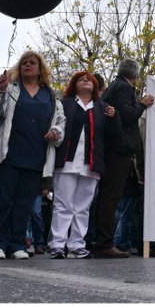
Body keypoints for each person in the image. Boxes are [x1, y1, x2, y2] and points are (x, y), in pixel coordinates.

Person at [0, 50, 65, 260]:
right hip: (8, 155)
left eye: (32, 63)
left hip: (35, 157)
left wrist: (56, 132)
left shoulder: (51, 96)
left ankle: (16, 244)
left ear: (40, 69)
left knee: (24, 204)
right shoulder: (10, 89)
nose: (27, 66)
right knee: (3, 201)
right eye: (24, 63)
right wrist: (0, 92)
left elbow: (60, 123)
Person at [48, 71, 117, 259]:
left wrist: (114, 117)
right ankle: (57, 244)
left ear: (95, 86)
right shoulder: (64, 104)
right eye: (81, 79)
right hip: (67, 162)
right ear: (73, 84)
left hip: (91, 164)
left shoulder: (103, 107)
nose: (86, 80)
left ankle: (77, 244)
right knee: (63, 205)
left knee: (83, 207)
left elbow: (111, 136)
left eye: (89, 79)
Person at [95, 59, 154, 258]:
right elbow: (127, 115)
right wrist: (142, 104)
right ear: (135, 75)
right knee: (111, 197)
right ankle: (105, 243)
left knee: (107, 197)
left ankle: (100, 240)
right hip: (119, 149)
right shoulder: (124, 88)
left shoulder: (114, 86)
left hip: (112, 147)